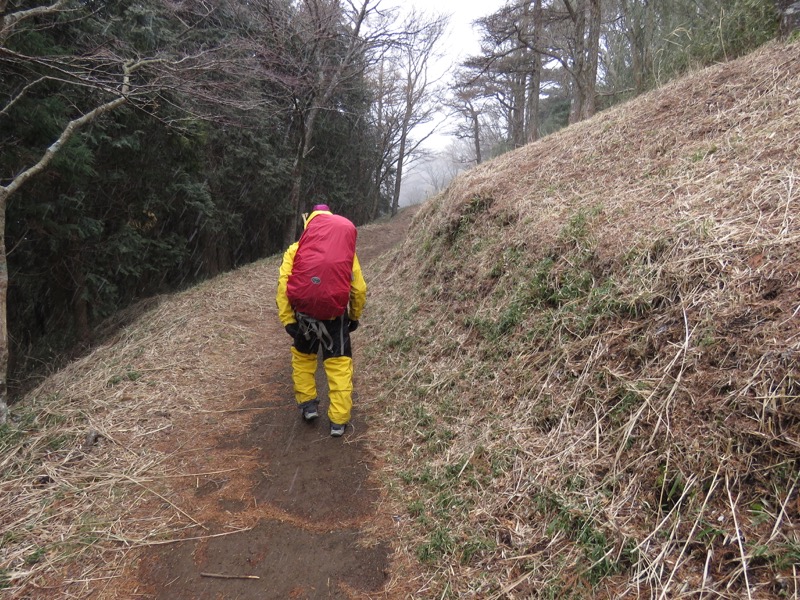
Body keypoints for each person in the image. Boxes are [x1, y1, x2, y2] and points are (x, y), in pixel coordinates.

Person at [276, 204, 367, 437]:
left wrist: (288, 320)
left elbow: (283, 286)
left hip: (304, 315)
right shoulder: (346, 251)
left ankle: (308, 406)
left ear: (310, 223)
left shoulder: (296, 249)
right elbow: (358, 288)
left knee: (304, 359)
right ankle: (338, 421)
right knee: (338, 365)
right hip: (335, 317)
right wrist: (354, 316)